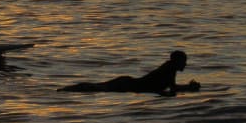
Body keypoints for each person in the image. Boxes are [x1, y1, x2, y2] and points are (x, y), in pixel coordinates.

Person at [58, 50, 199, 96]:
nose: (185, 64)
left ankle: (67, 89)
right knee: (98, 88)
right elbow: (173, 89)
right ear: (177, 61)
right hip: (129, 84)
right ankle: (67, 90)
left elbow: (171, 87)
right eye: (184, 61)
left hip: (129, 83)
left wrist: (186, 87)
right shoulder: (168, 69)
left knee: (99, 87)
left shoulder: (168, 68)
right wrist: (189, 87)